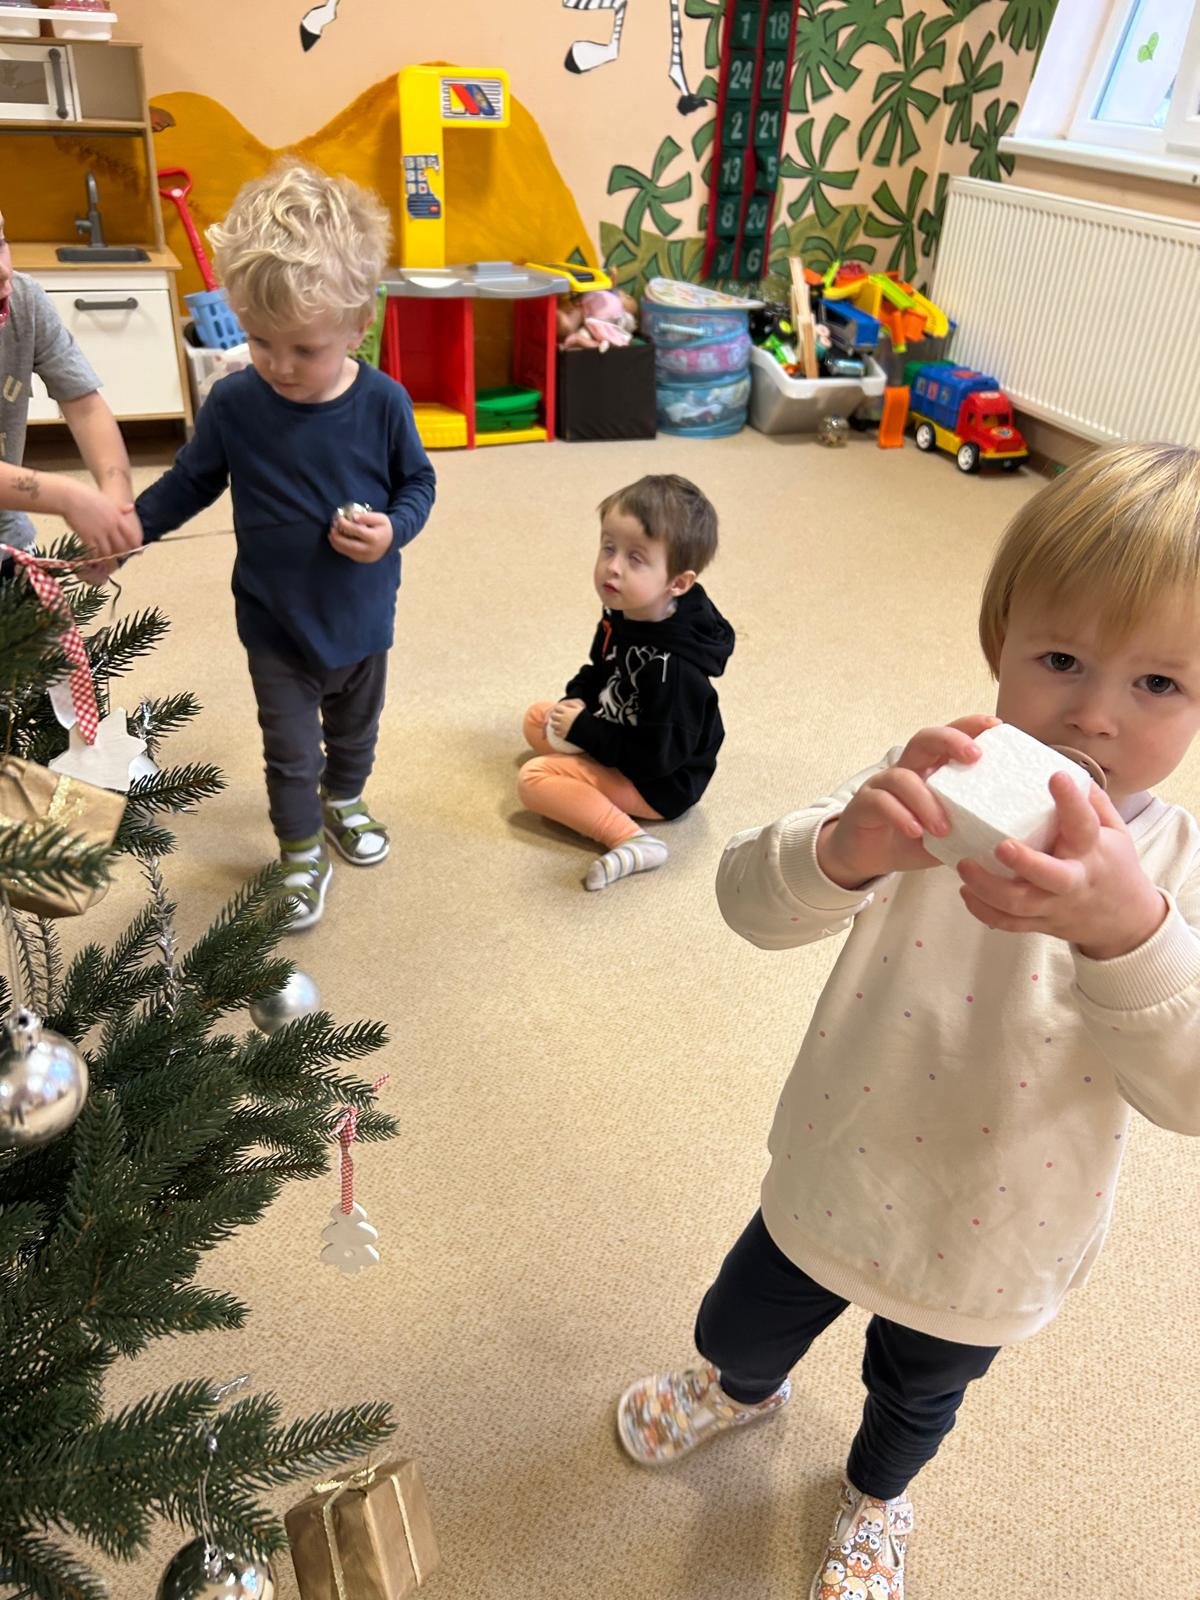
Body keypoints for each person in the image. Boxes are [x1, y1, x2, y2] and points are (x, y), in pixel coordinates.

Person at [615, 443, 1200, 1600]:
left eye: (1158, 684)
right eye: (1061, 659)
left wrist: (1128, 933)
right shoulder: (933, 780)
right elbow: (746, 901)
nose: (1093, 715)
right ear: (1000, 643)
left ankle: (877, 1497)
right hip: (842, 1158)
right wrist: (846, 850)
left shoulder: (1174, 871)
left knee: (918, 1395)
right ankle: (740, 1389)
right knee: (737, 1322)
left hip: (995, 1227)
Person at [132, 161, 435, 930]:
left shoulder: (384, 404)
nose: (278, 364)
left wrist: (390, 531)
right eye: (260, 340)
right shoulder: (236, 402)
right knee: (291, 752)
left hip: (362, 614)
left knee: (354, 736)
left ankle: (346, 801)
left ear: (357, 325)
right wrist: (133, 527)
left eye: (304, 348)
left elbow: (418, 485)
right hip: (274, 621)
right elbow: (191, 480)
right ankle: (299, 852)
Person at [518, 473, 734, 891]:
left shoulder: (675, 671)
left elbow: (657, 759)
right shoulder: (625, 609)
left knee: (535, 779)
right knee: (536, 719)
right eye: (608, 547)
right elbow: (599, 669)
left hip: (660, 783)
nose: (613, 567)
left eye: (636, 558)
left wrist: (585, 731)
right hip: (621, 732)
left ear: (678, 583)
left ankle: (632, 839)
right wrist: (577, 701)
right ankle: (586, 763)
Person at [0, 204, 139, 578]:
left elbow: (85, 407)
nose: (3, 271)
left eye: (0, 243)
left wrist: (116, 505)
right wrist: (65, 496)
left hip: (10, 541)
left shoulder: (25, 301)